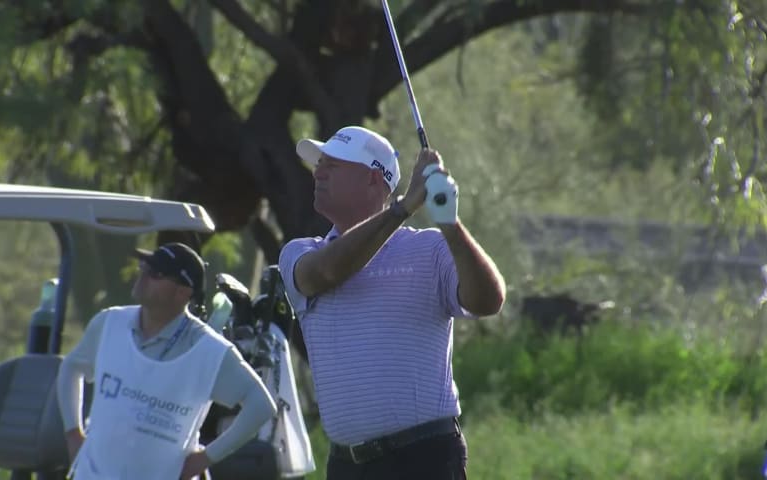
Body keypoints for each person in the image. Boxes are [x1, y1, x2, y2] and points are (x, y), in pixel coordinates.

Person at [278, 125, 506, 479]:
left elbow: (487, 301)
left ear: (373, 180)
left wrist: (452, 225)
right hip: (346, 467)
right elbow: (325, 274)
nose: (317, 172)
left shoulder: (430, 248)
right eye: (319, 164)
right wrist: (404, 207)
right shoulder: (302, 252)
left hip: (424, 459)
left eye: (332, 165)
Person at [56, 242, 277, 480]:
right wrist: (73, 434)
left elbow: (261, 406)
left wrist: (205, 459)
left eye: (156, 274)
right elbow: (71, 367)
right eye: (145, 267)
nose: (143, 276)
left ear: (183, 292)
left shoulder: (210, 350)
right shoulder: (109, 322)